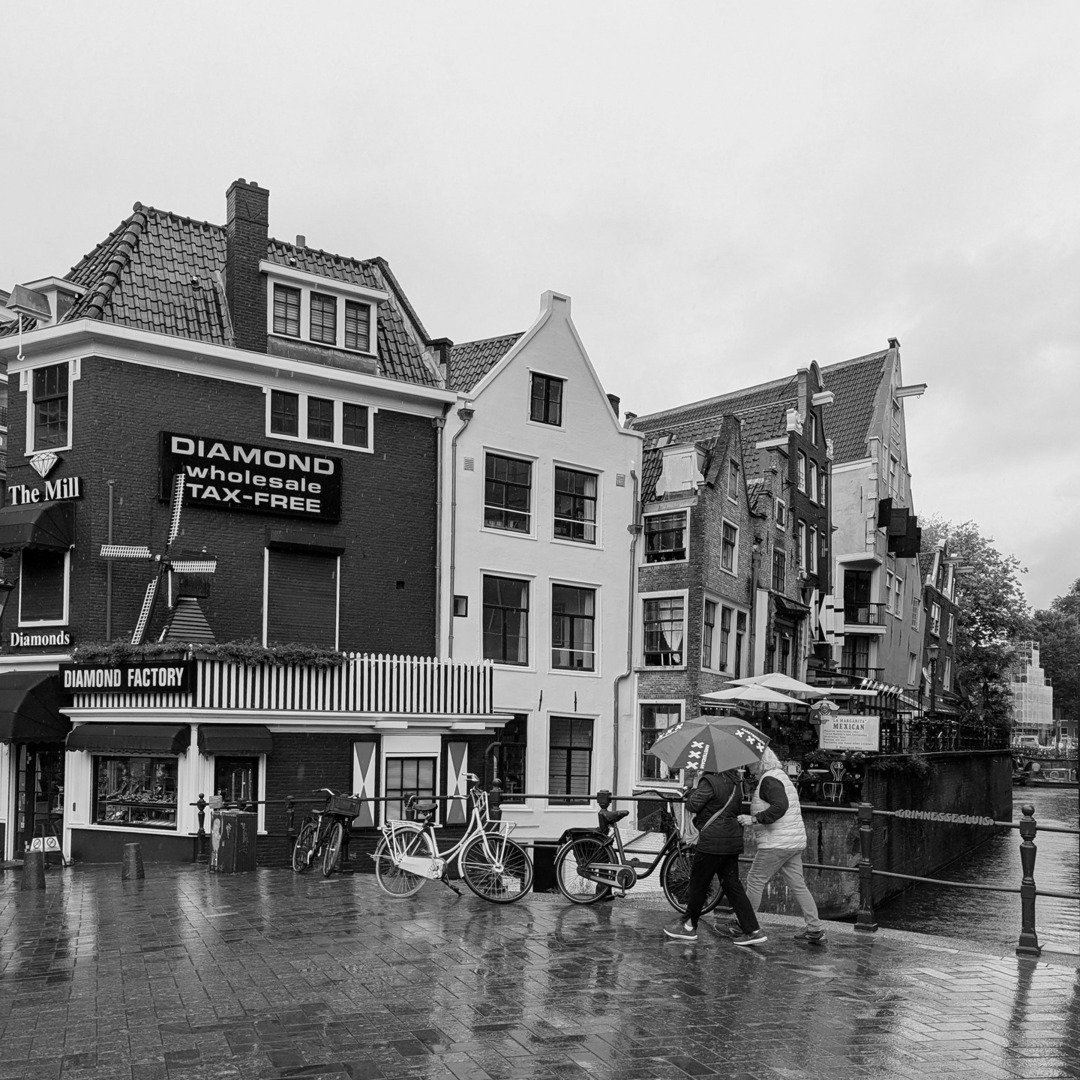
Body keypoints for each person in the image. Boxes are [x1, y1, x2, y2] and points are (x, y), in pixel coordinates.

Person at [731, 747, 826, 944]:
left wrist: (754, 819)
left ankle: (746, 926)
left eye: (751, 764)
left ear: (760, 762)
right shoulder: (781, 777)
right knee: (798, 885)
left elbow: (780, 806)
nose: (749, 768)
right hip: (792, 842)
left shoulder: (769, 781)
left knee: (755, 879)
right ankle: (815, 928)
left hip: (777, 842)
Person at [664, 765, 767, 946]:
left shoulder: (710, 780)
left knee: (698, 882)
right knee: (732, 884)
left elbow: (693, 804)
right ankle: (753, 930)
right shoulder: (736, 782)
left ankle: (688, 926)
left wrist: (694, 790)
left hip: (713, 840)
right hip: (731, 839)